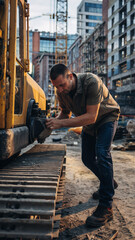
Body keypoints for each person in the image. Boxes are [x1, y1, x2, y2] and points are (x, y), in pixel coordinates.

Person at [46, 63, 120, 227]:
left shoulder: (91, 82)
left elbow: (92, 117)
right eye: (56, 86)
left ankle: (106, 205)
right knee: (87, 158)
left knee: (102, 153)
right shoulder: (62, 92)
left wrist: (62, 124)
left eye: (62, 85)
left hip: (106, 118)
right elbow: (65, 113)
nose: (59, 90)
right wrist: (50, 124)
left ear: (70, 76)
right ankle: (109, 182)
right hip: (89, 124)